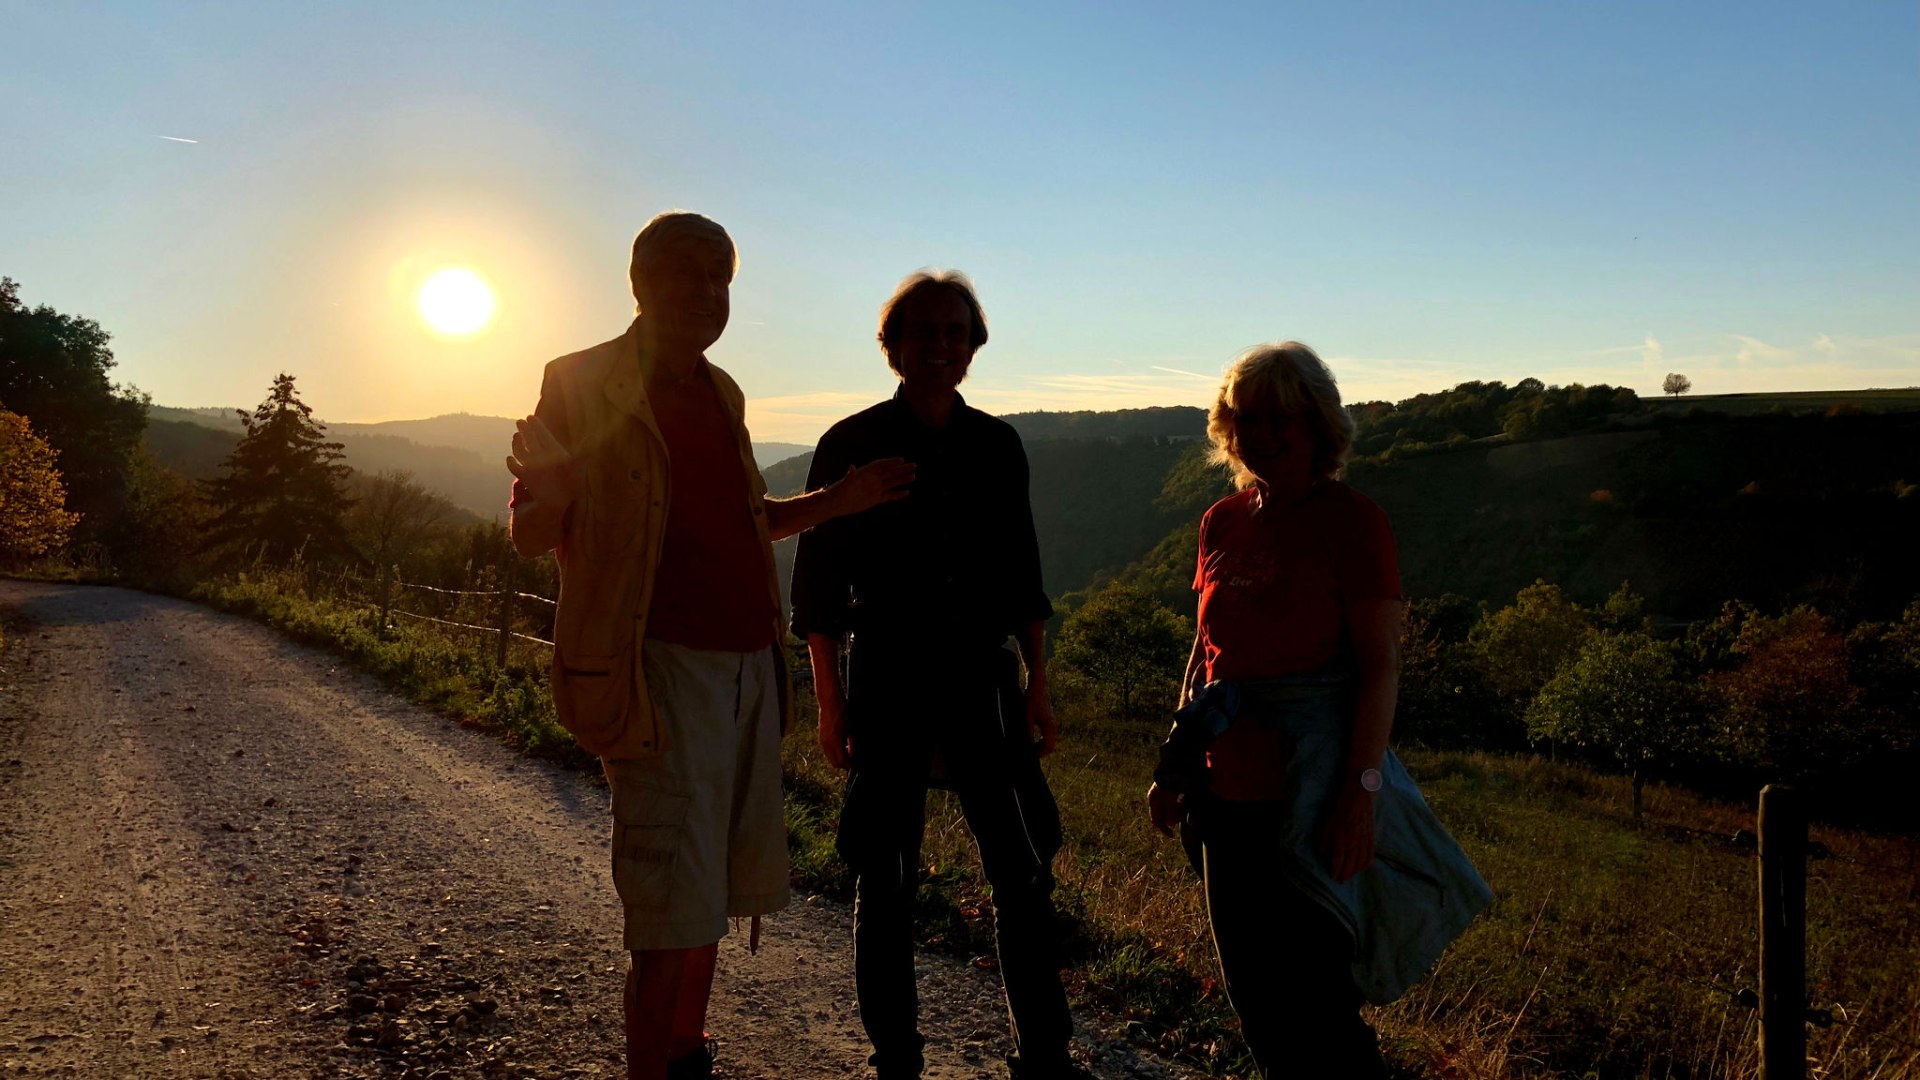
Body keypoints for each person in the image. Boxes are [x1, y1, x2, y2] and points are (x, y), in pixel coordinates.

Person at [505, 211, 914, 1080]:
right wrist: (552, 485)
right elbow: (531, 531)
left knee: (714, 897)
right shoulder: (578, 381)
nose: (706, 292)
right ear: (641, 283)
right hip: (659, 675)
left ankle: (686, 1057)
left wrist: (838, 501)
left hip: (748, 674)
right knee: (670, 909)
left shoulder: (722, 392)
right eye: (687, 273)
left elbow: (746, 523)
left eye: (720, 277)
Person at [1145, 342, 1491, 1079]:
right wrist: (1175, 766)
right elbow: (1206, 654)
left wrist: (1359, 798)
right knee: (1255, 1001)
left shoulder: (1353, 522)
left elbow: (1379, 668)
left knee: (1319, 1009)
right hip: (1223, 799)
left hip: (1311, 796)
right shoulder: (1220, 522)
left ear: (1318, 427)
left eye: (1281, 418)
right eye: (1246, 418)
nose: (1262, 434)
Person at [789, 271, 1084, 1080]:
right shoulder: (851, 443)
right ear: (894, 345)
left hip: (983, 679)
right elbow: (817, 585)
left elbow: (1023, 573)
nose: (940, 346)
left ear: (973, 345)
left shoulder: (998, 445)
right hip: (885, 671)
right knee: (884, 876)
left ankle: (1046, 1056)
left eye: (955, 332)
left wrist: (1039, 685)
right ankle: (896, 1060)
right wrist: (829, 701)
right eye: (924, 331)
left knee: (1022, 870)